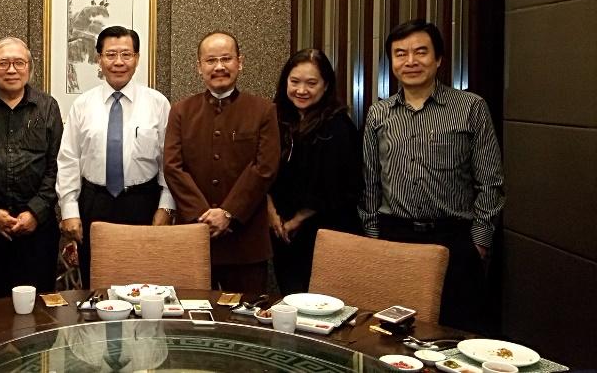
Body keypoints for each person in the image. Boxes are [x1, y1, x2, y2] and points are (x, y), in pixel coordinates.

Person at [361, 19, 505, 332]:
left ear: (438, 59)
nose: (410, 61)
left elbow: (491, 182)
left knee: (457, 334)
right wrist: (373, 237)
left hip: (454, 238)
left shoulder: (471, 107)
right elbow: (369, 183)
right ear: (392, 62)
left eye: (420, 52)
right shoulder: (378, 113)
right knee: (394, 334)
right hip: (395, 236)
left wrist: (479, 241)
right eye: (400, 54)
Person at [56, 26, 175, 288]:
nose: (118, 62)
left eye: (126, 54)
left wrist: (166, 207)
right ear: (99, 58)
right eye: (111, 54)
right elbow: (68, 160)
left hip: (142, 202)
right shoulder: (82, 105)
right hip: (95, 203)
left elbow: (170, 161)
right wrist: (69, 210)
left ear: (137, 58)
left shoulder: (158, 103)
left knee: (146, 283)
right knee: (97, 283)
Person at [163, 31, 280, 294]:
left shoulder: (263, 110)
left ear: (240, 62)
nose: (219, 67)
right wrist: (203, 216)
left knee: (247, 322)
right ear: (199, 67)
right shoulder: (181, 111)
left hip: (245, 241)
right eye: (211, 60)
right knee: (191, 322)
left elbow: (265, 168)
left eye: (226, 59)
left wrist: (228, 213)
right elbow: (172, 167)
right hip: (194, 236)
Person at [0, 37, 63, 300]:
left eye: (19, 62)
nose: (11, 69)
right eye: (3, 63)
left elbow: (56, 166)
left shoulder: (47, 106)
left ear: (29, 68)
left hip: (37, 229)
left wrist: (35, 212)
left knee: (37, 314)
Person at [267, 49, 362, 295]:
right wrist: (271, 212)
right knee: (291, 298)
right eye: (294, 81)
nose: (301, 90)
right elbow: (259, 169)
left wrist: (298, 219)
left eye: (311, 83)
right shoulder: (274, 119)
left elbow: (343, 186)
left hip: (326, 232)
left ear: (326, 85)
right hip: (282, 233)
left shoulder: (338, 126)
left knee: (321, 305)